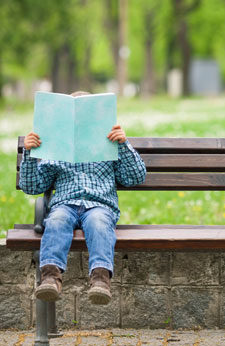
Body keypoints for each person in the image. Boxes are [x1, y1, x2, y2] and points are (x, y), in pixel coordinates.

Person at [20, 91, 146, 305]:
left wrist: (123, 145)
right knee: (57, 220)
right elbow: (33, 187)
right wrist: (30, 154)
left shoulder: (109, 145)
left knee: (98, 222)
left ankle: (100, 279)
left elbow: (136, 177)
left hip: (100, 205)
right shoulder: (57, 149)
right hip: (65, 205)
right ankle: (50, 277)